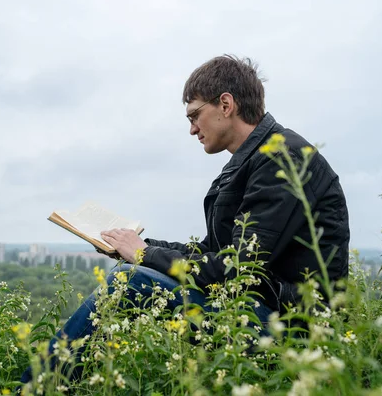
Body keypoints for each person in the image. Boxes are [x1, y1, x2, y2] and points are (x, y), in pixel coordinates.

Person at [19, 54, 349, 387]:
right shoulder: (250, 161)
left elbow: (236, 269)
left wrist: (145, 256)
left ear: (225, 104)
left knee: (130, 283)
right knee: (132, 273)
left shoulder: (283, 156)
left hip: (293, 329)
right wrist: (136, 245)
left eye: (194, 115)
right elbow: (213, 251)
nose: (192, 129)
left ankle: (31, 391)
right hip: (257, 310)